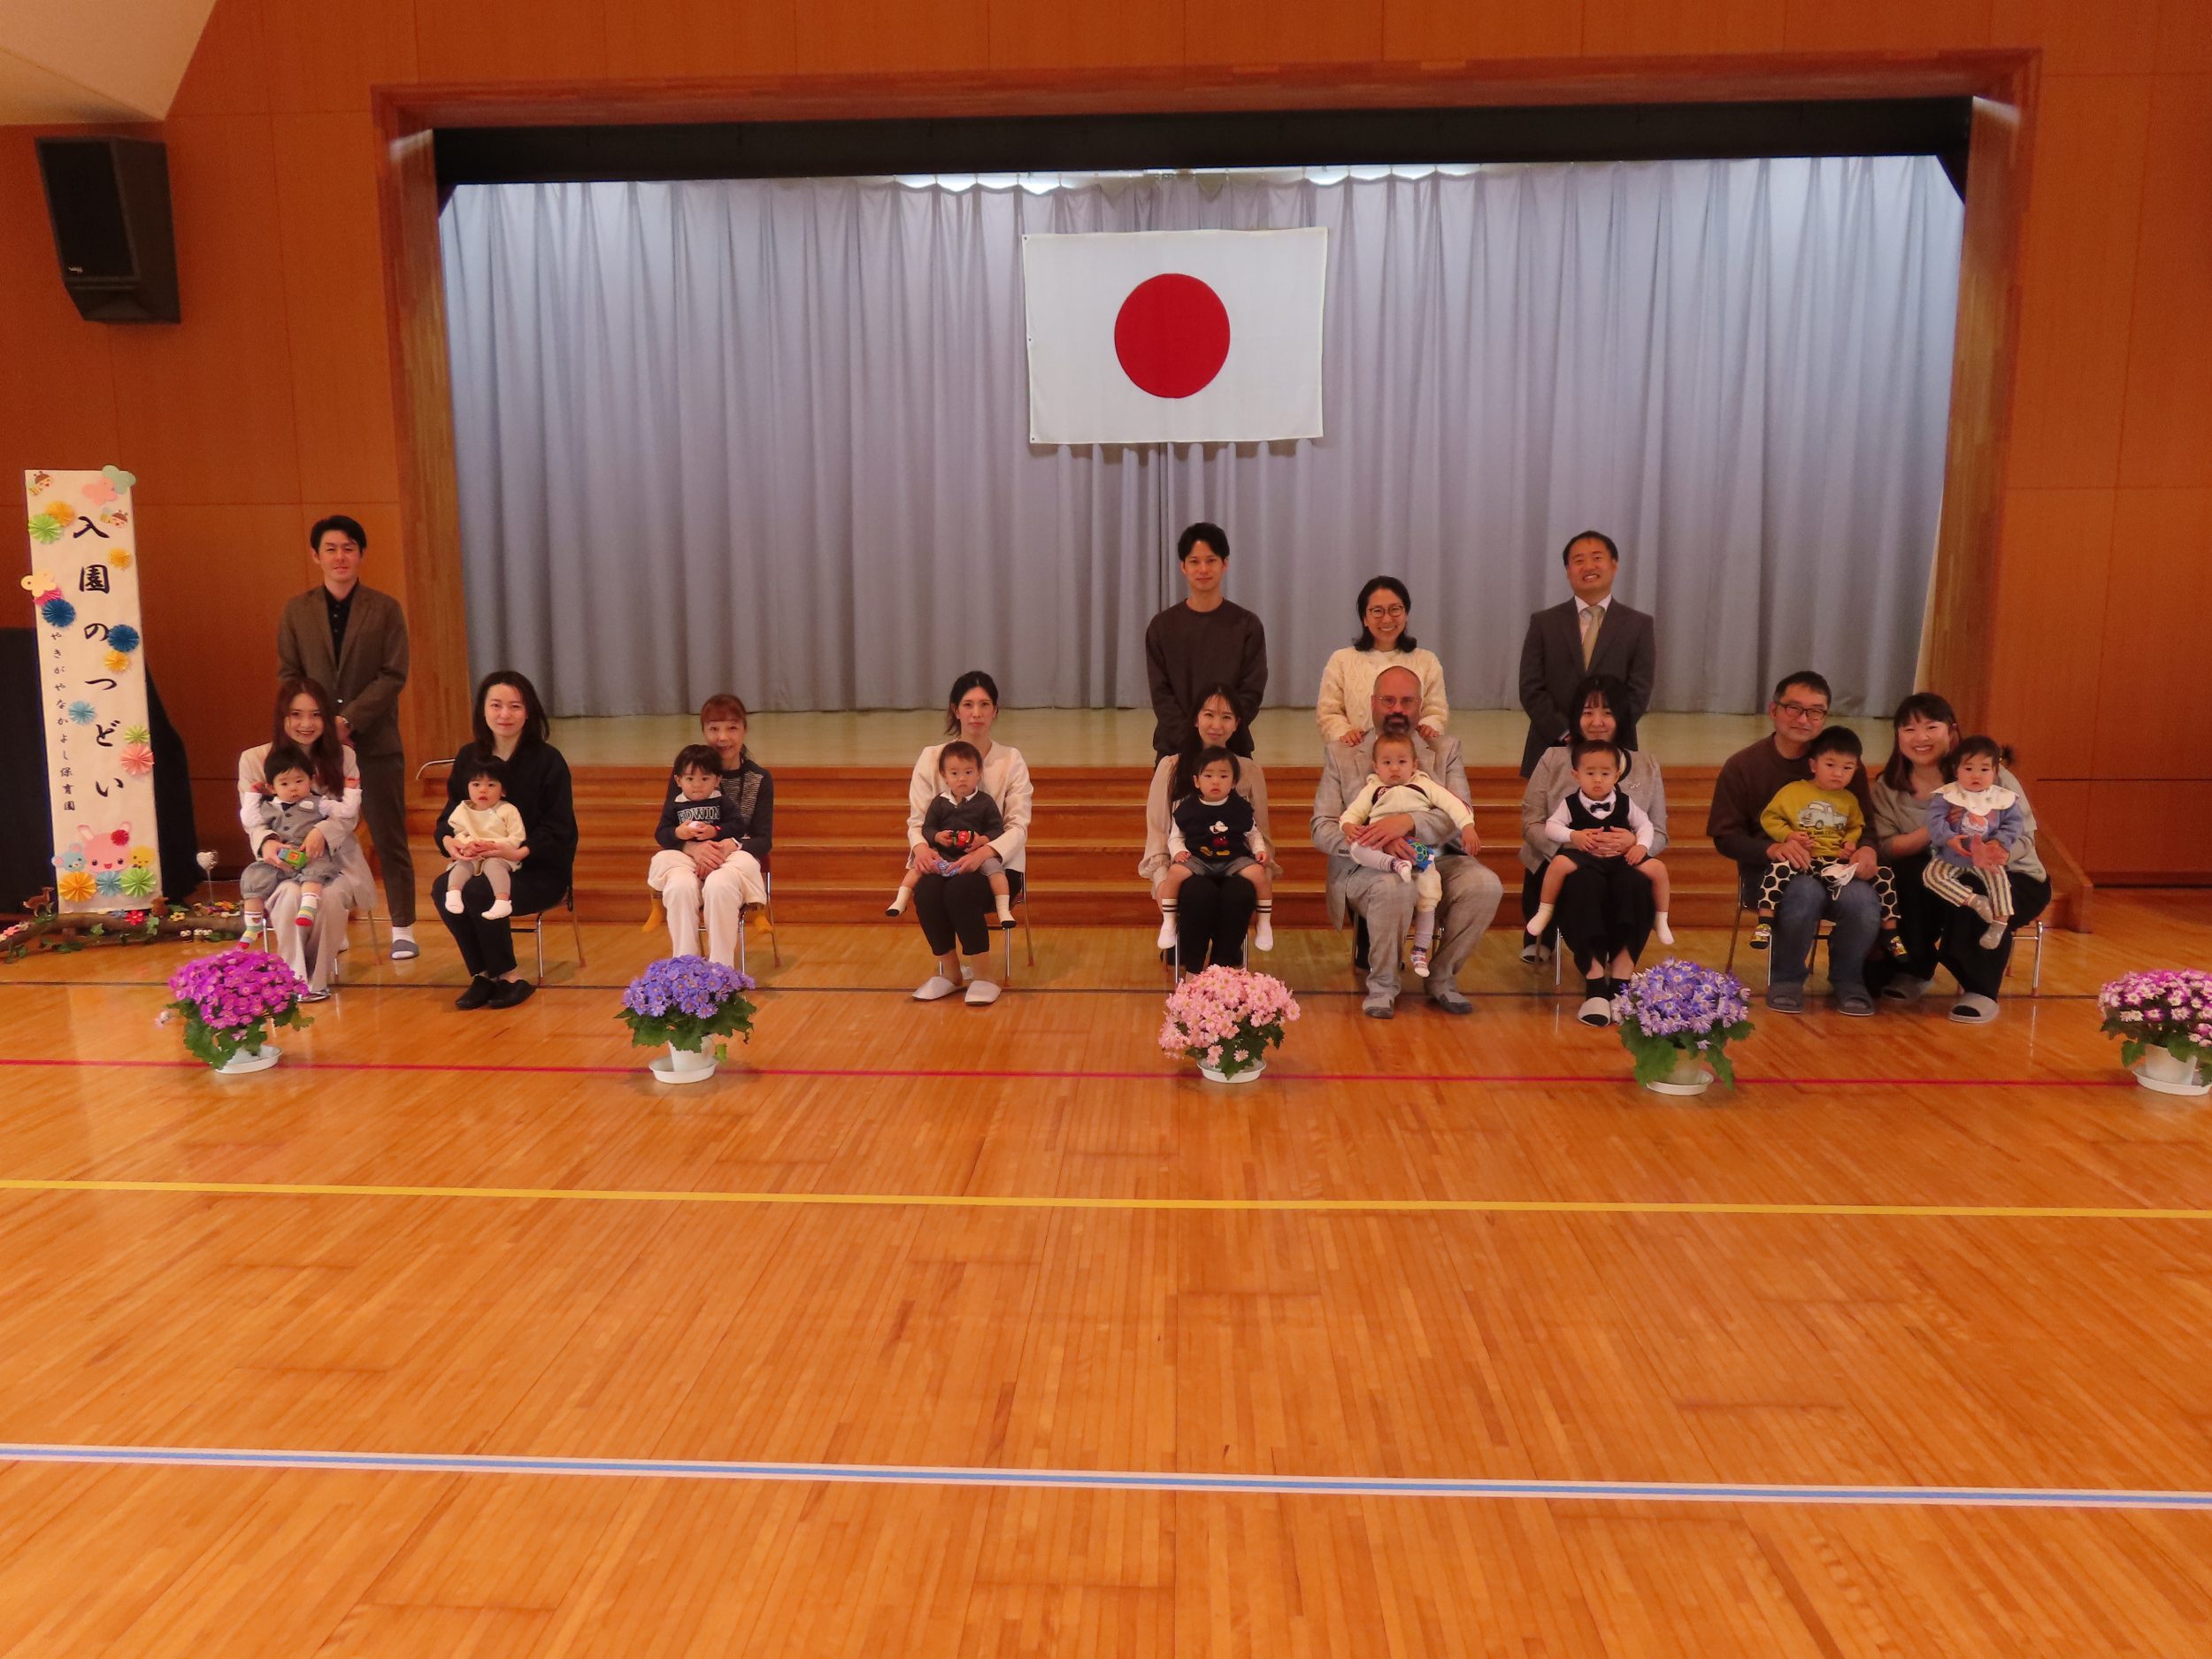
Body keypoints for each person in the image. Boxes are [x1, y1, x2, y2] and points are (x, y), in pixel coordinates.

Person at [1311, 665, 1502, 1018]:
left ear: (1420, 705)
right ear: (1372, 703)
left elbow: (1459, 812)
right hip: (1368, 866)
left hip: (1438, 858)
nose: (1397, 709)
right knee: (1393, 886)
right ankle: (1383, 986)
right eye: (1388, 700)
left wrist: (1408, 823)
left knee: (1485, 885)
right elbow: (1322, 826)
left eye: (1407, 701)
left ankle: (1442, 978)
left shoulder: (1444, 749)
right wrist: (1375, 840)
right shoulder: (1342, 753)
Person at [275, 514, 417, 959]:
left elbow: (393, 674)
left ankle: (403, 928)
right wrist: (316, 722)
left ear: (361, 554)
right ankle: (332, 924)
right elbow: (289, 674)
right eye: (331, 549)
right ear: (315, 555)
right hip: (314, 746)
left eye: (349, 548)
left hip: (375, 741)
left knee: (389, 836)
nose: (340, 557)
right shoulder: (297, 610)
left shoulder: (385, 608)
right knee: (317, 835)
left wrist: (348, 720)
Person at [1869, 694, 2051, 1024]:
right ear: (1897, 736)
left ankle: (1980, 989)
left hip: (2013, 874)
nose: (1920, 737)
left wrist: (1996, 851)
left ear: (1951, 732)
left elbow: (2025, 837)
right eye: (1909, 729)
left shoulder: (1987, 773)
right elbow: (1885, 848)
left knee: (1973, 882)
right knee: (1905, 875)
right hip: (1943, 870)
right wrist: (1937, 828)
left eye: (1931, 727)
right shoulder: (1888, 786)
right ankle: (1914, 970)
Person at [1708, 671, 1879, 1016]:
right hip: (1771, 874)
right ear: (1773, 710)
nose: (1804, 719)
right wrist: (1772, 849)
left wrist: (1866, 848)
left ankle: (1849, 980)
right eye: (1794, 708)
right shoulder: (1743, 765)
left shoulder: (1843, 764)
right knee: (1804, 892)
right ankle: (1786, 979)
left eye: (1815, 711)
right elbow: (1725, 837)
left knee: (1863, 899)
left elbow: (1867, 825)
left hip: (1835, 868)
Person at [1518, 673, 1671, 1018]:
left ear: (1622, 718)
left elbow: (1659, 830)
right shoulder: (1554, 759)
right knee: (1584, 883)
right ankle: (1594, 983)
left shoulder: (1646, 764)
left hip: (1625, 861)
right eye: (1588, 712)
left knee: (1636, 884)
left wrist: (1635, 843)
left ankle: (1622, 979)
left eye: (1608, 712)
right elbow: (1531, 824)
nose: (1597, 721)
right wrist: (1573, 844)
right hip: (1570, 861)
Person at [432, 671, 576, 1010]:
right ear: (483, 710)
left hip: (537, 869)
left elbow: (560, 828)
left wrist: (519, 850)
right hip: (480, 861)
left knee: (479, 891)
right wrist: (450, 843)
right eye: (496, 705)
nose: (504, 714)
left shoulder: (548, 760)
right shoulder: (469, 758)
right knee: (443, 889)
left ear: (529, 712)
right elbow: (449, 817)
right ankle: (483, 974)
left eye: (515, 706)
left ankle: (509, 977)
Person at [906, 672, 1032, 1007]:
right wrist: (921, 847)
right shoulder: (931, 757)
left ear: (995, 711)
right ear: (955, 710)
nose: (976, 713)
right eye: (968, 705)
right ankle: (950, 973)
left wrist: (985, 852)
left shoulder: (1011, 759)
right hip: (942, 861)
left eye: (984, 704)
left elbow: (1018, 825)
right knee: (927, 891)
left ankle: (984, 975)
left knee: (961, 890)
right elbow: (917, 820)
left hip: (996, 869)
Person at [234, 679, 365, 1002]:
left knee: (330, 897)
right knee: (289, 896)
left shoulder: (343, 756)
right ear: (282, 717)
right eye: (296, 714)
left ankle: (316, 981)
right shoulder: (254, 759)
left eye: (316, 715)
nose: (306, 724)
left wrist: (322, 833)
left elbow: (348, 815)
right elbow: (252, 817)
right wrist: (268, 843)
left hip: (333, 860)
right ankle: (294, 978)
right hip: (279, 863)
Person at [1140, 684, 1279, 972]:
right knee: (1199, 893)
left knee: (1239, 893)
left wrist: (1261, 874)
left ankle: (1221, 973)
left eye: (1226, 717)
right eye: (1209, 715)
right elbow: (1158, 836)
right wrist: (1163, 883)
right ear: (1195, 719)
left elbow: (1260, 833)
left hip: (1235, 862)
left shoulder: (1249, 771)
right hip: (1191, 864)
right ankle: (1192, 971)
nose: (1217, 725)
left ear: (1237, 723)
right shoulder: (1171, 768)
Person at [1749, 726, 1909, 962]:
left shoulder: (1850, 800)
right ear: (1814, 765)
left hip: (1837, 865)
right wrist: (1788, 836)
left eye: (1847, 768)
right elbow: (1769, 818)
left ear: (1856, 769)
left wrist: (1850, 842)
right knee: (1778, 868)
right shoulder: (1793, 792)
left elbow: (1856, 826)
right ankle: (1765, 922)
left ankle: (1890, 932)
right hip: (1805, 861)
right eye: (1830, 765)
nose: (1838, 774)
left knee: (1884, 875)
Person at [645, 695, 773, 966]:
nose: (723, 737)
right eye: (714, 728)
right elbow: (666, 832)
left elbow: (763, 840)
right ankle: (686, 968)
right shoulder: (686, 773)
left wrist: (727, 846)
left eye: (732, 728)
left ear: (745, 729)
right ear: (704, 731)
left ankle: (720, 972)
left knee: (718, 885)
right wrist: (692, 847)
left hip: (731, 861)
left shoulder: (759, 779)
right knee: (678, 886)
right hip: (690, 860)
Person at [1517, 530, 1655, 778]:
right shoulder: (1544, 623)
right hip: (1551, 747)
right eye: (1579, 560)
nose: (1588, 566)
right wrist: (1566, 732)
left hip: (1614, 750)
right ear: (1568, 571)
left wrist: (1605, 730)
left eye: (1597, 558)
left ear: (1614, 565)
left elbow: (1639, 690)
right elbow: (1531, 688)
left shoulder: (1638, 625)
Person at [1338, 730, 1476, 978]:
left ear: (1414, 765)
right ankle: (1391, 864)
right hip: (1381, 848)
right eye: (1387, 763)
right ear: (1376, 767)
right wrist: (1349, 828)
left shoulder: (1424, 785)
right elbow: (1351, 814)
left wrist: (1467, 826)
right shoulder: (1373, 789)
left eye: (1402, 762)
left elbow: (1454, 804)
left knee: (1429, 893)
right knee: (1357, 847)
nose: (1394, 769)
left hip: (1417, 850)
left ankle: (1420, 949)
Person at [1524, 737, 1671, 949]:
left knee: (1658, 869)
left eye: (1605, 774)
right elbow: (1551, 826)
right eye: (1590, 774)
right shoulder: (1570, 803)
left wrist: (1640, 845)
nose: (1598, 780)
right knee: (1558, 864)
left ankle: (1661, 918)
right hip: (1586, 855)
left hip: (1620, 857)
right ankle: (1545, 911)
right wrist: (1573, 836)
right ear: (1576, 776)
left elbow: (1646, 825)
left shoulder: (1625, 802)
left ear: (1616, 776)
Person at [1145, 522, 1267, 759]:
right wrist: (1192, 739)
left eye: (1211, 560)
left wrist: (1220, 731)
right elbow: (1161, 694)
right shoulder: (1162, 626)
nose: (1203, 569)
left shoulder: (1247, 625)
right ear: (1183, 566)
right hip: (1175, 750)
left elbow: (1251, 691)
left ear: (1224, 564)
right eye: (1194, 561)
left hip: (1232, 749)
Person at [1159, 746, 1273, 952]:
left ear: (1234, 782)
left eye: (1223, 776)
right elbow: (1175, 836)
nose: (1215, 781)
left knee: (1259, 873)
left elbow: (1253, 833)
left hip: (1233, 857)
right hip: (1199, 857)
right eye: (1208, 775)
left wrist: (1259, 850)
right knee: (1174, 873)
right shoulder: (1187, 808)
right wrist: (1178, 851)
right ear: (1196, 781)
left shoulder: (1240, 807)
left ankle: (1264, 923)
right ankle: (1169, 922)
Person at [891, 741, 1014, 928]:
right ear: (945, 776)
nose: (962, 779)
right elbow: (927, 828)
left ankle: (1003, 909)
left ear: (979, 773)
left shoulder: (985, 802)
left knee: (996, 871)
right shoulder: (939, 802)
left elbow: (997, 829)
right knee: (918, 867)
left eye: (968, 772)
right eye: (954, 773)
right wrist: (937, 837)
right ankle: (900, 900)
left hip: (976, 856)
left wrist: (981, 840)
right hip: (944, 854)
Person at [1315, 577, 1448, 745]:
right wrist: (1345, 733)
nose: (1387, 619)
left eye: (1395, 609)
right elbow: (1329, 713)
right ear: (1364, 618)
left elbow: (1435, 712)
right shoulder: (1341, 660)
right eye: (1377, 611)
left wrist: (1428, 729)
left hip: (1410, 756)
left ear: (1406, 614)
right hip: (1355, 753)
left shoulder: (1427, 661)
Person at [1924, 736, 2028, 949]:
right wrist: (1948, 838)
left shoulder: (2004, 798)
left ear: (1995, 772)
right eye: (1969, 768)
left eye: (1984, 769)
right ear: (1956, 770)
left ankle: (1999, 924)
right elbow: (1934, 821)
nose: (1976, 775)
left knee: (2000, 882)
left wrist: (1999, 842)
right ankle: (1974, 901)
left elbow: (2014, 824)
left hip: (1986, 857)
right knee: (1931, 876)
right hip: (1952, 855)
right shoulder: (1947, 795)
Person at [237, 744, 342, 947]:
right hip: (280, 858)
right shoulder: (269, 806)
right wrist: (252, 794)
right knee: (254, 876)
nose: (293, 788)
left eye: (299, 781)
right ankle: (253, 923)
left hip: (309, 853)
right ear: (272, 787)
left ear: (311, 780)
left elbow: (345, 812)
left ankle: (308, 907)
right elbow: (249, 820)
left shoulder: (319, 803)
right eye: (284, 783)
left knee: (316, 870)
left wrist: (352, 792)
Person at [439, 757, 527, 920]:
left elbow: (517, 836)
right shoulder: (463, 809)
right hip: (473, 852)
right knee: (462, 864)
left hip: (500, 854)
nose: (483, 790)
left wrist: (493, 845)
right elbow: (459, 832)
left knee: (494, 865)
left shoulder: (508, 810)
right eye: (476, 784)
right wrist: (467, 845)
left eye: (491, 785)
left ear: (503, 790)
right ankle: (453, 893)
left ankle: (502, 901)